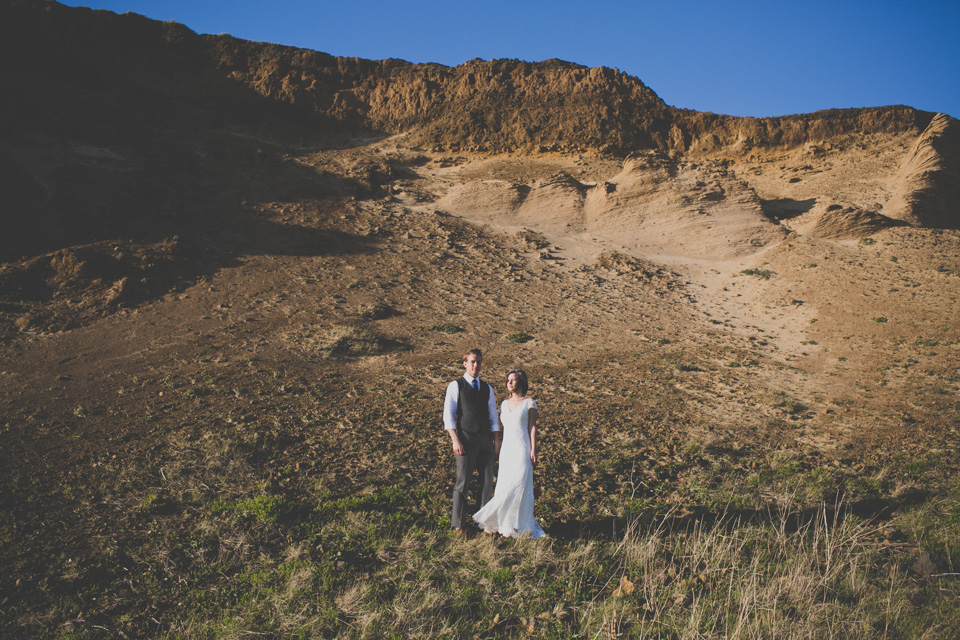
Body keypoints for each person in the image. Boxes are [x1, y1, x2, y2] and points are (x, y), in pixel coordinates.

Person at [473, 368, 545, 539]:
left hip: (522, 448)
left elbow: (532, 428)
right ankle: (504, 522)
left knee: (519, 484)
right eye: (508, 381)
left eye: (513, 380)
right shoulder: (503, 404)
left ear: (520, 382)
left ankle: (520, 523)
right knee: (505, 484)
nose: (509, 383)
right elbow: (497, 426)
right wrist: (496, 444)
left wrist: (533, 449)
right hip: (507, 449)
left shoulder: (530, 403)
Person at [444, 348, 501, 535]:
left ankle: (482, 521)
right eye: (472, 362)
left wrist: (496, 441)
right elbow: (449, 415)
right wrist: (455, 440)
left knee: (486, 483)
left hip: (485, 440)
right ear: (465, 363)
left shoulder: (487, 388)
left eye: (478, 362)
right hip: (465, 439)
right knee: (463, 482)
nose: (476, 365)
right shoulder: (456, 386)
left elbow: (493, 416)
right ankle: (457, 524)